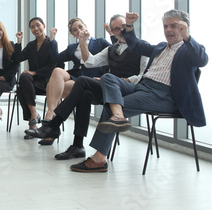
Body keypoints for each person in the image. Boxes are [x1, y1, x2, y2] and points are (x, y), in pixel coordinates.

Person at [65, 10, 208, 173]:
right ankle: (118, 115)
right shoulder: (161, 47)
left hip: (163, 95)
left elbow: (202, 60)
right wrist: (130, 26)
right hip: (142, 87)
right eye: (166, 26)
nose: (168, 30)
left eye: (174, 26)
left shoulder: (189, 50)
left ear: (184, 27)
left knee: (110, 107)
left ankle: (99, 158)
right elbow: (136, 45)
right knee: (108, 78)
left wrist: (187, 37)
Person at [25, 14, 149, 159]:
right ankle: (77, 146)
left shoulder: (142, 47)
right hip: (106, 87)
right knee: (85, 94)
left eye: (123, 27)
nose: (120, 31)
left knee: (82, 81)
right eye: (116, 29)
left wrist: (117, 80)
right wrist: (82, 42)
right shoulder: (111, 49)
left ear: (129, 26)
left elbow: (142, 76)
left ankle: (53, 124)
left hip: (128, 89)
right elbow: (90, 62)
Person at [40, 17, 111, 144]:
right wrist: (52, 39)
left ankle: (50, 128)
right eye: (74, 30)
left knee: (51, 86)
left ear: (85, 26)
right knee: (56, 71)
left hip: (90, 80)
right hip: (76, 76)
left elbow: (115, 53)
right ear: (72, 34)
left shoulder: (100, 42)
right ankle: (50, 114)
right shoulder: (72, 48)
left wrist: (111, 33)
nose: (78, 30)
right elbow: (55, 58)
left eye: (80, 27)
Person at [14, 17, 58, 137]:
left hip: (47, 83)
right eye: (32, 27)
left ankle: (32, 124)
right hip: (33, 84)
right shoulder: (31, 45)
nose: (35, 29)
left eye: (38, 25)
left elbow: (53, 65)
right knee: (24, 78)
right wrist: (18, 42)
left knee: (21, 88)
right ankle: (34, 114)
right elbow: (18, 58)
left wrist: (35, 73)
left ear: (44, 26)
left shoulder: (51, 43)